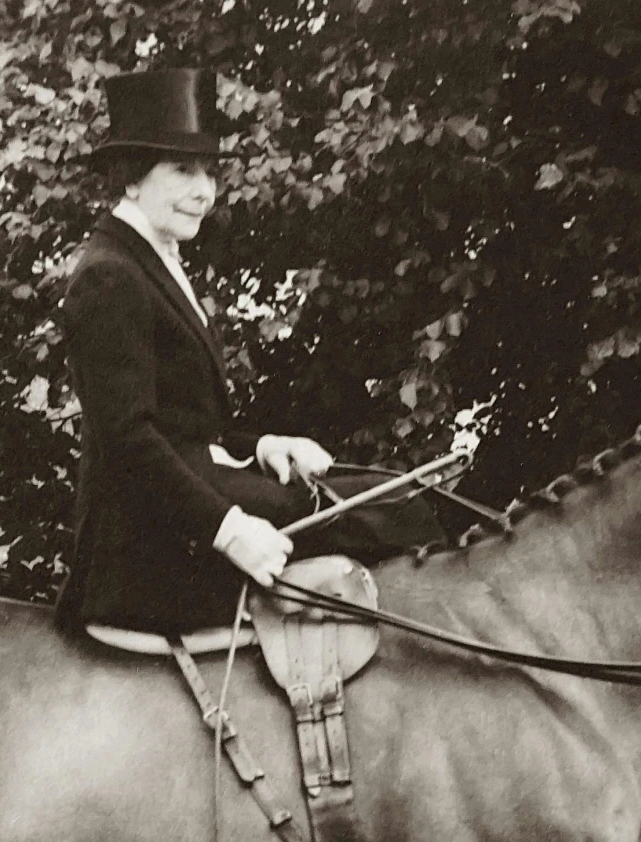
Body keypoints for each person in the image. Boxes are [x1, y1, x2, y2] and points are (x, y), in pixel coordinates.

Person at [54, 68, 429, 638]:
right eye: (183, 170)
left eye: (208, 172)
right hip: (144, 544)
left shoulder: (151, 260)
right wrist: (230, 529)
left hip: (192, 492)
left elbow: (185, 422)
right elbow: (128, 441)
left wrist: (265, 445)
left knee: (399, 497)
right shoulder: (110, 276)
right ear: (130, 179)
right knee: (392, 518)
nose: (204, 191)